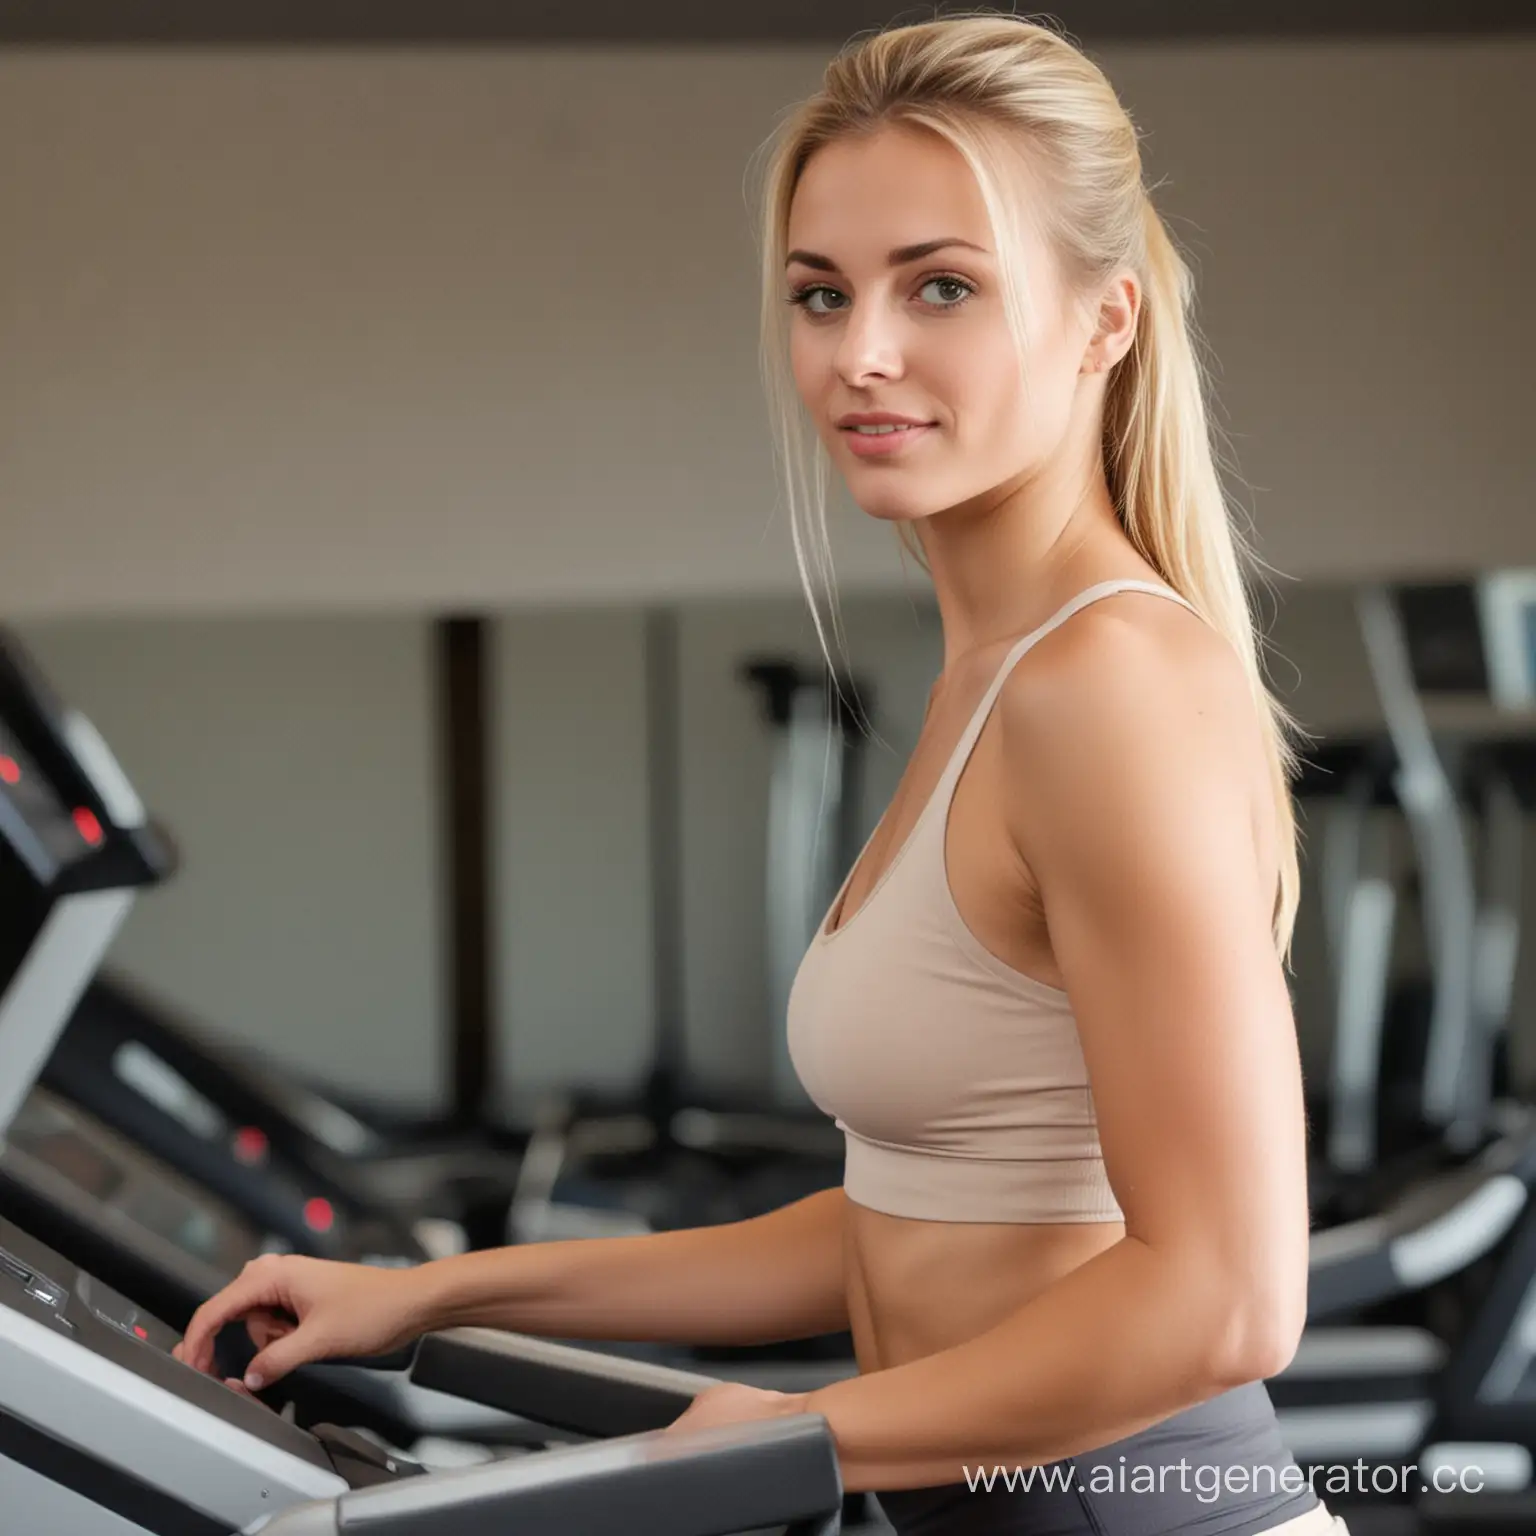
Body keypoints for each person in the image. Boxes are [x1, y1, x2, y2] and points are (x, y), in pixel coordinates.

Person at [176, 14, 1343, 1533]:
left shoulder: (1106, 686)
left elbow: (1231, 1297)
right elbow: (895, 1229)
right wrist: (426, 1296)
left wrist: (814, 1430)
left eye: (942, 287)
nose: (862, 351)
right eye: (820, 293)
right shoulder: (999, 679)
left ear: (1102, 321)